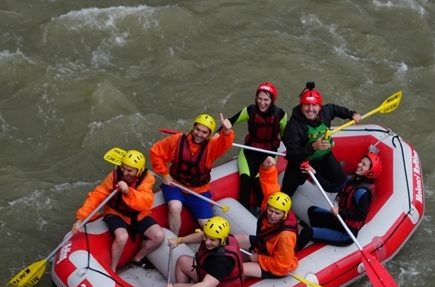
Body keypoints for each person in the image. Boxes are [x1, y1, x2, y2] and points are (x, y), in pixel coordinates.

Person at [72, 149, 165, 273]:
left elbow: (145, 202)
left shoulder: (148, 178)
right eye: (123, 168)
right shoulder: (114, 176)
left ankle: (137, 258)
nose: (125, 173)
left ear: (139, 171)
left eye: (129, 171)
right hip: (115, 212)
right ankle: (113, 269)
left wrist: (128, 191)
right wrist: (80, 219)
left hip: (138, 214)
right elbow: (96, 196)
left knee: (159, 236)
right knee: (122, 236)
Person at [149, 112, 235, 237]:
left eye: (204, 132)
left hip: (199, 190)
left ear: (209, 135)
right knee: (174, 206)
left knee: (206, 224)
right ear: (193, 128)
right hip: (175, 184)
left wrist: (227, 131)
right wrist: (165, 174)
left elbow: (225, 142)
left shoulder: (213, 147)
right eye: (197, 129)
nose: (199, 134)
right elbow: (156, 152)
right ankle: (174, 238)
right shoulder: (177, 140)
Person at [281, 81, 365, 197]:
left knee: (342, 181)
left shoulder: (325, 112)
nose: (310, 109)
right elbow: (292, 154)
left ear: (319, 107)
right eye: (306, 105)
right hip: (301, 164)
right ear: (301, 106)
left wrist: (351, 114)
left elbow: (335, 109)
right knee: (287, 191)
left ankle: (345, 201)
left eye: (314, 105)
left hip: (325, 157)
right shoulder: (293, 126)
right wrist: (313, 147)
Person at [297, 151, 382, 250]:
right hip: (338, 220)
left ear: (370, 171)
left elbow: (361, 216)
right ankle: (319, 237)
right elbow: (330, 187)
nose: (359, 165)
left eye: (364, 165)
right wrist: (313, 172)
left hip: (346, 232)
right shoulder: (353, 181)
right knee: (312, 211)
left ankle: (294, 252)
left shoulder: (363, 192)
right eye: (360, 162)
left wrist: (341, 211)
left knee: (306, 232)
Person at [234, 157, 299, 279]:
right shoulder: (271, 201)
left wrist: (258, 258)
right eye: (270, 210)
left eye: (277, 213)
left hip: (276, 265)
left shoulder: (286, 236)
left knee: (242, 269)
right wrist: (267, 168)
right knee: (235, 239)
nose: (272, 215)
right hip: (264, 246)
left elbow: (282, 266)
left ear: (284, 214)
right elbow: (269, 183)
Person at [227, 82, 287, 212]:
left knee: (258, 182)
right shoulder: (249, 111)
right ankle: (244, 212)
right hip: (250, 150)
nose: (262, 103)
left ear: (272, 100)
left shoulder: (281, 115)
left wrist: (295, 152)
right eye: (259, 99)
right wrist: (216, 133)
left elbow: (286, 137)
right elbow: (230, 122)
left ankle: (261, 209)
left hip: (269, 153)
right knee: (246, 181)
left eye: (266, 99)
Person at [165, 217, 246, 287]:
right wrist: (179, 240)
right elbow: (200, 236)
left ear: (222, 239)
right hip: (207, 274)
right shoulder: (222, 237)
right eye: (206, 237)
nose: (207, 242)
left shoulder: (223, 261)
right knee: (182, 260)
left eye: (212, 240)